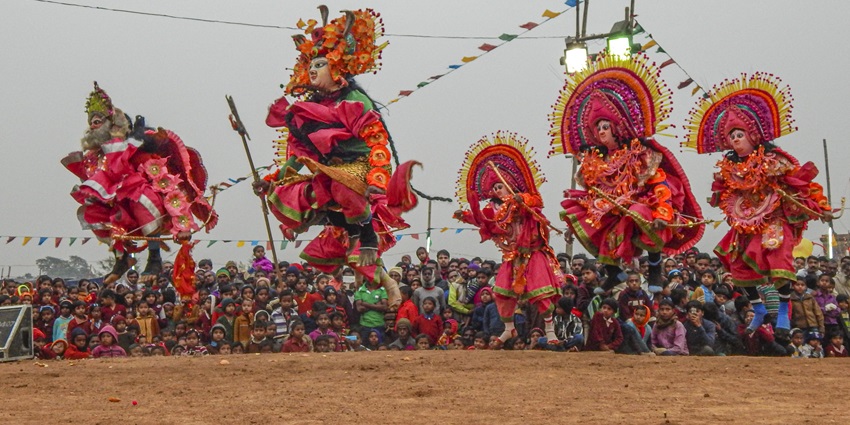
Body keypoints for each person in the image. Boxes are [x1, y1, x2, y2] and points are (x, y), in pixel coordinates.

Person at [255, 7, 419, 310]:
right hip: (329, 171)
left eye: (320, 64)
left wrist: (377, 178)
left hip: (361, 166)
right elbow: (299, 156)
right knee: (289, 193)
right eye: (311, 65)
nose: (313, 71)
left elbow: (376, 139)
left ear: (337, 68)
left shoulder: (353, 100)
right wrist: (271, 180)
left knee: (341, 187)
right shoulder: (305, 111)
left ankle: (365, 234)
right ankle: (338, 224)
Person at [685, 73, 833, 338]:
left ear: (753, 135)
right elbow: (722, 193)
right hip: (745, 221)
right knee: (736, 262)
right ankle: (759, 308)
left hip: (773, 218)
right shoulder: (729, 167)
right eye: (731, 136)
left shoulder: (773, 160)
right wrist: (718, 195)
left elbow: (800, 182)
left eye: (740, 134)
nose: (735, 139)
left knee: (778, 257)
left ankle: (784, 310)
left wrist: (821, 206)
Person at [553, 54, 704, 294]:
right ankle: (613, 272)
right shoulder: (596, 162)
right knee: (577, 213)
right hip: (611, 210)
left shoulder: (638, 153)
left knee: (640, 212)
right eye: (597, 128)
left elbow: (659, 183)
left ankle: (654, 266)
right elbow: (592, 193)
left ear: (616, 127)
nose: (601, 132)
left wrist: (662, 212)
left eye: (605, 126)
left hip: (641, 204)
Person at [62, 82, 217, 286]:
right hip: (118, 209)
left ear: (114, 125)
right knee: (93, 209)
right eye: (91, 122)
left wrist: (183, 225)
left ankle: (154, 258)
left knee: (140, 196)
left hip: (146, 202)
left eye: (97, 121)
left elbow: (168, 188)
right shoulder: (94, 158)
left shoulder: (136, 152)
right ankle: (122, 258)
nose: (92, 127)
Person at [454, 132, 563, 343]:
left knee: (540, 293)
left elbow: (536, 201)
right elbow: (484, 222)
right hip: (512, 257)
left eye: (500, 186)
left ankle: (550, 332)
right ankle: (509, 329)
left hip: (533, 253)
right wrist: (466, 216)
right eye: (494, 188)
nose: (497, 191)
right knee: (502, 292)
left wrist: (521, 199)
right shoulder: (495, 210)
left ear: (509, 183)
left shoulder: (524, 200)